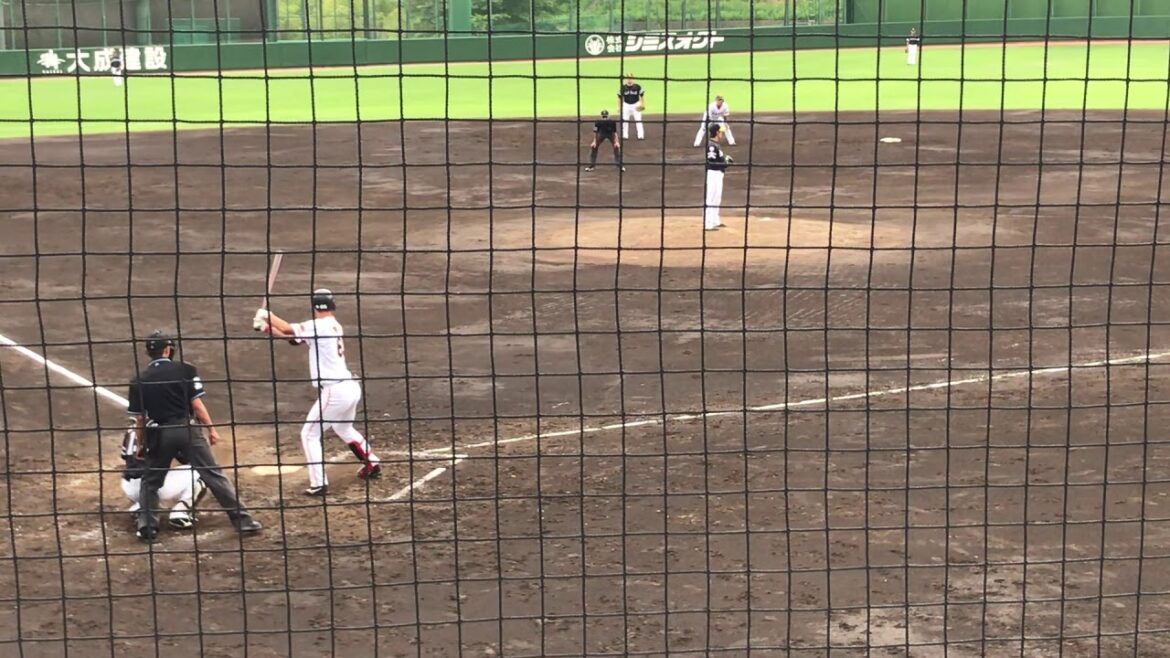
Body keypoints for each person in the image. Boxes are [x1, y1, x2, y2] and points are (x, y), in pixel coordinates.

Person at [128, 331, 261, 543]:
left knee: (150, 482)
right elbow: (196, 405)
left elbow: (140, 420)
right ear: (168, 350)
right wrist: (211, 429)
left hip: (159, 434)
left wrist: (140, 444)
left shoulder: (138, 380)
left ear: (148, 352)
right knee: (213, 475)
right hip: (188, 431)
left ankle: (147, 527)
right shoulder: (185, 370)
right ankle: (244, 521)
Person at [254, 289, 382, 497]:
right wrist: (267, 328)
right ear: (332, 305)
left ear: (314, 307)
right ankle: (371, 463)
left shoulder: (318, 325)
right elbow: (293, 338)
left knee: (309, 434)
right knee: (343, 428)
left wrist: (267, 315)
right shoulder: (332, 325)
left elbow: (287, 328)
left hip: (335, 391)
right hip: (349, 387)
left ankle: (319, 484)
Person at [120, 425, 206, 530]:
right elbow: (186, 459)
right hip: (153, 486)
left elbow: (127, 458)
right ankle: (180, 512)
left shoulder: (131, 430)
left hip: (129, 486)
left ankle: (140, 508)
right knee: (202, 471)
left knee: (151, 470)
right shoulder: (165, 428)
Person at [703, 124, 732, 231]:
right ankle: (708, 224)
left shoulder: (716, 145)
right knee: (711, 198)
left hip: (718, 174)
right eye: (721, 132)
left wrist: (725, 161)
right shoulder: (711, 146)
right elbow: (711, 162)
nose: (722, 134)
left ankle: (715, 221)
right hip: (713, 174)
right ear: (717, 132)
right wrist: (725, 163)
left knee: (717, 197)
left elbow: (718, 160)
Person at [618, 74, 645, 141]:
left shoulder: (637, 86)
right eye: (628, 78)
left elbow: (642, 96)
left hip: (636, 105)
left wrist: (642, 105)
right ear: (626, 79)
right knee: (625, 121)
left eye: (630, 78)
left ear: (632, 79)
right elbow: (619, 98)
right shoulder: (623, 87)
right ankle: (625, 135)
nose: (629, 80)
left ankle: (640, 135)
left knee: (638, 120)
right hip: (626, 105)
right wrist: (619, 107)